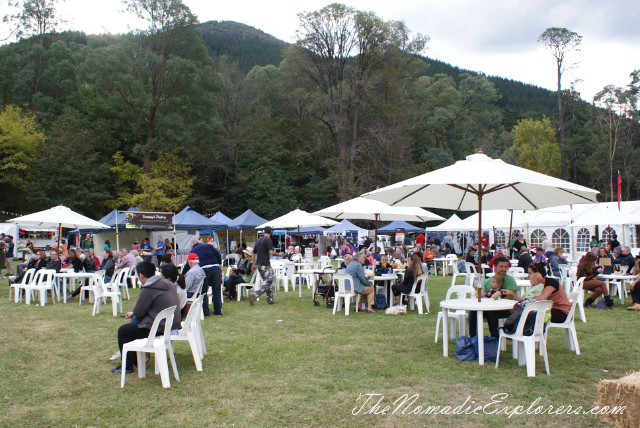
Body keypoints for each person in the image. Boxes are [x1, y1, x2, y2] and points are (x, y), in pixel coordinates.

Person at [113, 261, 181, 374]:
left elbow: (139, 312)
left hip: (158, 328)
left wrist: (135, 313)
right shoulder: (167, 283)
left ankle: (128, 365)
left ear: (140, 275)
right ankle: (136, 360)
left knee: (123, 331)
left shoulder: (149, 288)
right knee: (134, 322)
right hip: (172, 324)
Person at [504, 262, 571, 323]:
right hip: (548, 310)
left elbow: (542, 298)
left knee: (526, 315)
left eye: (530, 273)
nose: (528, 276)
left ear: (538, 274)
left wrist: (528, 300)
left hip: (560, 313)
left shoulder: (551, 282)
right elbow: (528, 301)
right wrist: (512, 295)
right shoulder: (538, 285)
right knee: (522, 314)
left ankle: (526, 334)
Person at [468, 256, 518, 338]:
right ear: (495, 267)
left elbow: (509, 296)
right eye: (501, 266)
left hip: (505, 309)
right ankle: (473, 337)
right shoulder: (488, 281)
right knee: (473, 311)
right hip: (489, 308)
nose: (504, 269)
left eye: (506, 267)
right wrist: (480, 295)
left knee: (491, 312)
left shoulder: (509, 280)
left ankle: (495, 338)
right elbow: (483, 294)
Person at [186, 239, 223, 316]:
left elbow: (188, 264)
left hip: (204, 269)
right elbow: (218, 254)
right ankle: (218, 310)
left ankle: (206, 312)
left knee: (203, 291)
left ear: (191, 246)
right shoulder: (208, 245)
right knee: (217, 290)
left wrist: (182, 275)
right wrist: (220, 265)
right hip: (215, 267)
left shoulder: (193, 250)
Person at [249, 226, 283, 306]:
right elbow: (271, 252)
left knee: (268, 280)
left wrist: (253, 263)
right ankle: (254, 294)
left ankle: (270, 299)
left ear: (264, 232)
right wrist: (279, 254)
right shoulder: (268, 240)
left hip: (259, 265)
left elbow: (253, 253)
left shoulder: (259, 240)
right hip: (265, 264)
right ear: (271, 233)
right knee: (269, 280)